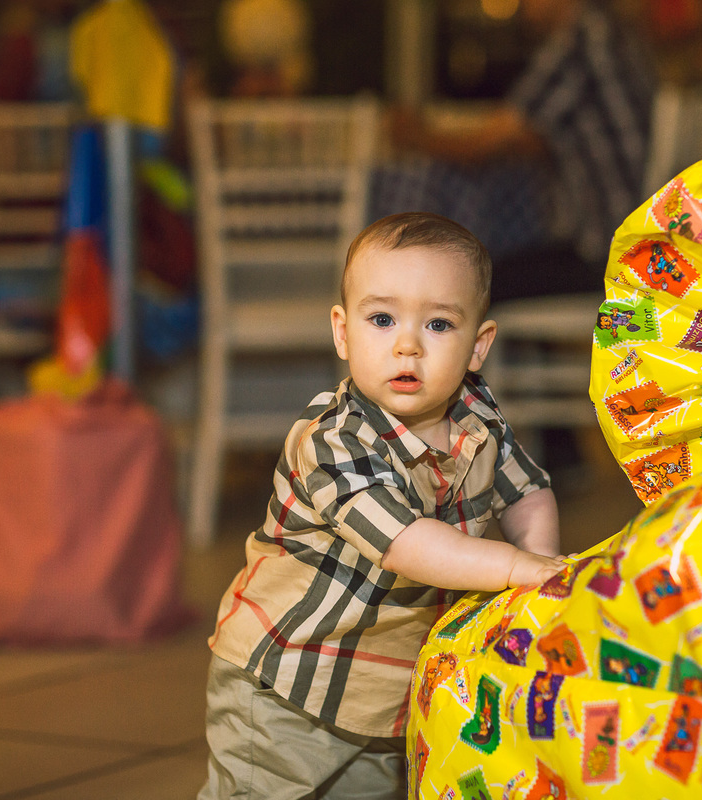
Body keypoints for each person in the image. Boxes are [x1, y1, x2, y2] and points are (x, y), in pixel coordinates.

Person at [198, 212, 567, 800]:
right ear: (343, 333)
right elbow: (408, 544)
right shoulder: (332, 441)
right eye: (381, 318)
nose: (407, 344)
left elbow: (526, 490)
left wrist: (543, 562)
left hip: (383, 692)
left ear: (479, 345)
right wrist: (513, 569)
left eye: (440, 323)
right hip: (289, 682)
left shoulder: (478, 416)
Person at [391, 0, 657, 303]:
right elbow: (536, 137)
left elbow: (488, 142)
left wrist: (417, 137)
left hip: (607, 250)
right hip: (636, 243)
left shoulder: (581, 42)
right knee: (476, 272)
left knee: (463, 281)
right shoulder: (613, 32)